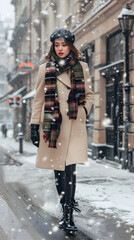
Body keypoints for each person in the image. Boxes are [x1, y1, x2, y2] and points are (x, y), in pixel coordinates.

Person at [30, 29, 94, 234]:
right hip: (53, 125)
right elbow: (39, 99)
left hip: (74, 123)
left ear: (70, 46)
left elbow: (90, 95)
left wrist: (84, 110)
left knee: (70, 170)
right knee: (58, 170)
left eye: (63, 45)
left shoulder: (81, 67)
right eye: (57, 45)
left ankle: (68, 216)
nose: (60, 49)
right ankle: (64, 206)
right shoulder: (44, 69)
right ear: (53, 47)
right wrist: (34, 125)